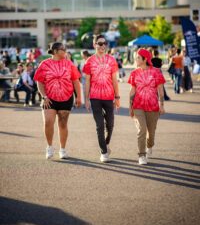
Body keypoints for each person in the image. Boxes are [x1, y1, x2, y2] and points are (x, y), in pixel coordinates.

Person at [34, 42, 81, 160]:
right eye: (63, 49)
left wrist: (79, 97)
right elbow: (39, 82)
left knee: (63, 124)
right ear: (55, 51)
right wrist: (44, 96)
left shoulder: (69, 64)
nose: (65, 51)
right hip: (49, 99)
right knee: (48, 122)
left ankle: (62, 150)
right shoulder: (44, 64)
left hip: (66, 98)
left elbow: (76, 81)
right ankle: (49, 147)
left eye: (65, 49)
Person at [83, 34, 120, 163]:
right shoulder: (89, 61)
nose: (102, 46)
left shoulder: (112, 60)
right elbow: (87, 81)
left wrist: (117, 97)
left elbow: (115, 80)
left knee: (110, 124)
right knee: (99, 125)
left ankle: (106, 143)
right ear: (94, 45)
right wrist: (86, 99)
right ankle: (103, 152)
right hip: (95, 97)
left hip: (109, 97)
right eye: (99, 43)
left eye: (105, 43)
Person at [128, 48, 165, 165]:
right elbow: (132, 91)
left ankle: (150, 145)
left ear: (145, 59)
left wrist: (162, 105)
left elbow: (160, 90)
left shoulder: (156, 72)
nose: (136, 59)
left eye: (138, 57)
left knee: (151, 133)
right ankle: (142, 155)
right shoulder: (134, 73)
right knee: (141, 130)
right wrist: (130, 107)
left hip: (153, 107)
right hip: (138, 106)